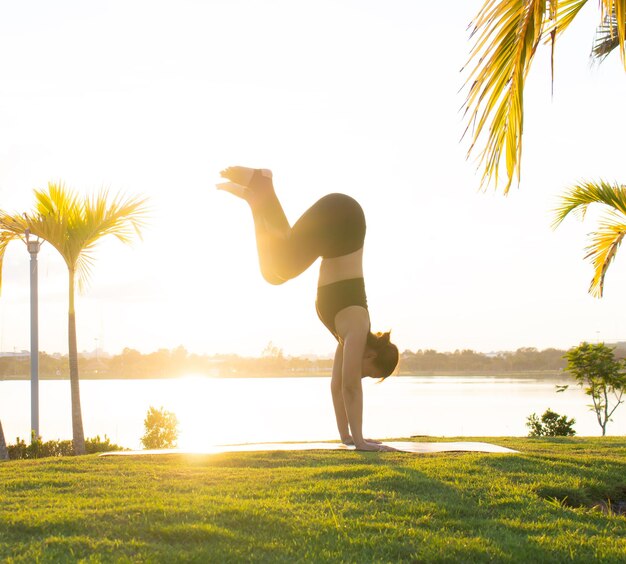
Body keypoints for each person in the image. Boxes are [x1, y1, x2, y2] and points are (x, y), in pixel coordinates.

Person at [217, 166, 399, 451]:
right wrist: (362, 441)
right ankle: (262, 186)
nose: (360, 374)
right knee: (285, 261)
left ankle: (256, 199)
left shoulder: (347, 335)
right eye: (369, 372)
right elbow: (350, 386)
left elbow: (337, 387)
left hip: (339, 226)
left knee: (274, 272)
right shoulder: (356, 327)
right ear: (372, 354)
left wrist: (347, 437)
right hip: (344, 218)